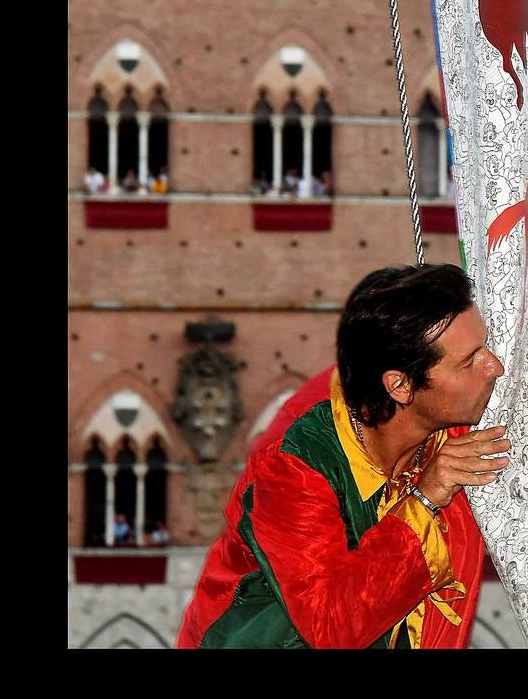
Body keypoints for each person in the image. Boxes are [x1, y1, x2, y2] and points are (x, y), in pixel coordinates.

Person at [177, 264, 509, 649]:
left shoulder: (437, 416)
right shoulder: (292, 466)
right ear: (399, 386)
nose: (494, 367)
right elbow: (330, 626)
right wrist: (425, 498)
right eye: (469, 361)